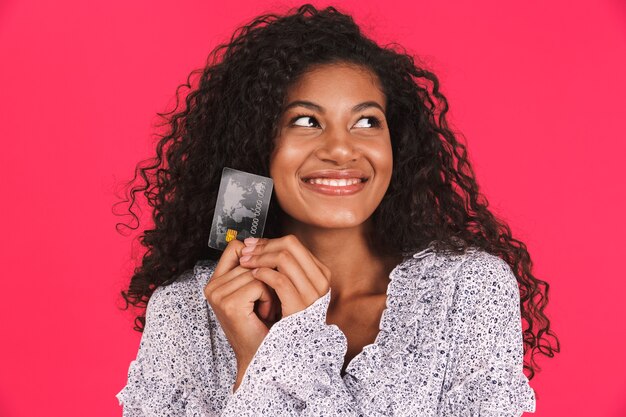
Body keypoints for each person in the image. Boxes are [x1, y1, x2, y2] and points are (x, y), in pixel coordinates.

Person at [114, 4, 560, 416]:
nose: (342, 149)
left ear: (396, 145)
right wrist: (258, 355)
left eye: (367, 121)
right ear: (255, 144)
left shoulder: (465, 292)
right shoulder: (186, 311)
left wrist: (275, 353)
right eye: (305, 121)